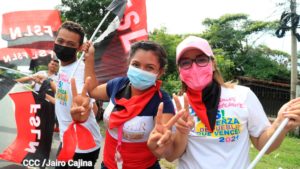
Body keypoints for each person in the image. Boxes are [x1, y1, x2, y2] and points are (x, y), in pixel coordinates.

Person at [147, 36, 300, 169]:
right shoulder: (177, 105)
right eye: (185, 63)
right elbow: (171, 156)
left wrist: (280, 125)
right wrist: (181, 132)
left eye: (201, 59)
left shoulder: (243, 95)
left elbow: (264, 145)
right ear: (180, 71)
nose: (194, 67)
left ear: (213, 64)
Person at [70, 41, 183, 169]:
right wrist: (89, 57)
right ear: (129, 63)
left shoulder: (162, 102)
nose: (141, 71)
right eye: (136, 64)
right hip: (107, 165)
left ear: (160, 72)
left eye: (149, 67)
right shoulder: (118, 85)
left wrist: (162, 144)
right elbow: (93, 91)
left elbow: (165, 148)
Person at [53, 21, 102, 169]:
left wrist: (83, 111)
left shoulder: (80, 71)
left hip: (83, 145)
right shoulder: (62, 68)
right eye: (60, 41)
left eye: (70, 44)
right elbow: (64, 96)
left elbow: (92, 107)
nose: (63, 46)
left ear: (80, 47)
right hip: (66, 139)